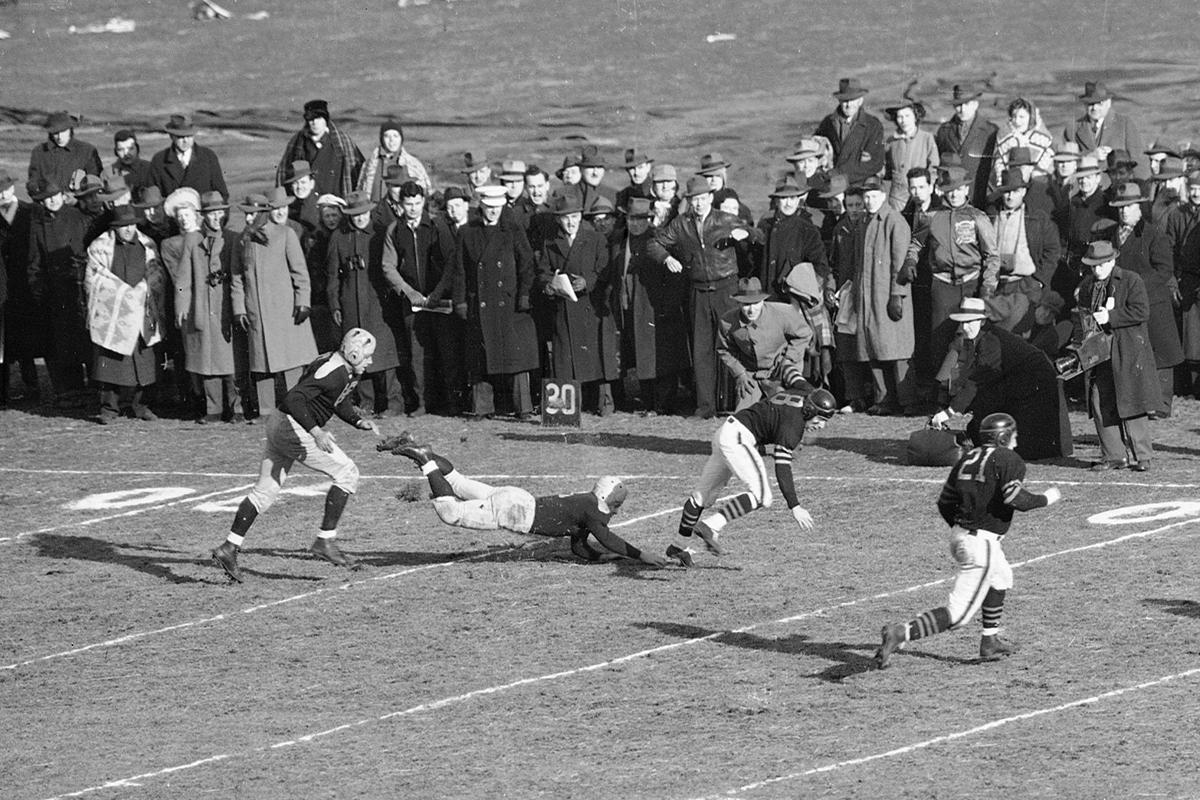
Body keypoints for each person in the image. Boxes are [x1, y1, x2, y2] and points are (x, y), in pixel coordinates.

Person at [874, 413, 1063, 669]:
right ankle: (901, 633)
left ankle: (990, 640)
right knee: (959, 615)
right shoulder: (1008, 458)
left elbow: (945, 502)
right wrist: (1046, 498)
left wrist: (962, 528)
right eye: (1014, 436)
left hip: (964, 536)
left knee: (1001, 577)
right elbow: (1014, 498)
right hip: (980, 543)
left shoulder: (966, 458)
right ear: (1004, 436)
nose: (1016, 442)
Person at [210, 328, 381, 583]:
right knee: (347, 472)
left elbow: (338, 400)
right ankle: (325, 540)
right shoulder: (333, 372)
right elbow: (294, 399)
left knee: (264, 491)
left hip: (280, 423)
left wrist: (358, 421)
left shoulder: (336, 365)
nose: (369, 361)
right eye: (367, 356)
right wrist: (317, 432)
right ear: (354, 354)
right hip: (293, 426)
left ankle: (229, 547)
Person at [380, 435, 666, 567]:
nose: (615, 512)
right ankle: (424, 459)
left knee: (458, 482)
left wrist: (604, 558)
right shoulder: (593, 511)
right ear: (606, 499)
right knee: (450, 512)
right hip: (514, 512)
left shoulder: (585, 504)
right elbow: (609, 538)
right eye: (615, 506)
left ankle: (422, 447)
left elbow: (580, 547)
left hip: (518, 498)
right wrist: (641, 555)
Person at [666, 386, 838, 567]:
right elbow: (782, 467)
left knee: (701, 496)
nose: (822, 426)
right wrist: (795, 506)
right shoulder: (793, 425)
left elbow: (797, 380)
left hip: (726, 431)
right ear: (809, 410)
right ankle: (711, 525)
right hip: (739, 438)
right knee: (762, 496)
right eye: (820, 419)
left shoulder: (803, 396)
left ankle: (678, 546)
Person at [646, 175, 760, 418]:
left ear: (710, 198)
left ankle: (740, 402)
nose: (698, 204)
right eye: (694, 200)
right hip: (698, 291)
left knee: (735, 344)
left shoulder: (725, 219)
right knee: (702, 350)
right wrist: (667, 258)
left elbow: (756, 234)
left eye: (702, 198)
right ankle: (706, 406)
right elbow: (654, 245)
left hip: (726, 289)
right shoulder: (681, 224)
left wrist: (744, 234)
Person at [930, 297, 1071, 460]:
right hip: (1015, 378)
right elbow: (966, 373)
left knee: (1028, 445)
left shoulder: (991, 341)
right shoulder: (973, 339)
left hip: (1035, 378)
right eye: (962, 323)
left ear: (982, 322)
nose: (965, 327)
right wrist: (946, 402)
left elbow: (976, 382)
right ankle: (976, 437)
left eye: (970, 322)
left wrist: (950, 411)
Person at [231, 187, 318, 414]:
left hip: (286, 312)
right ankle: (266, 410)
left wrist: (303, 302)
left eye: (251, 214)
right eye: (246, 214)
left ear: (262, 213)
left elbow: (300, 272)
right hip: (256, 313)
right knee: (262, 364)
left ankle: (297, 407)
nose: (247, 218)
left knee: (291, 362)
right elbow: (237, 278)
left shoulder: (285, 235)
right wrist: (239, 308)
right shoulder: (243, 241)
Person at [1074, 240, 1160, 471]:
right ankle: (1114, 456)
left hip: (1127, 351)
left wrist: (1111, 317)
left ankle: (1143, 457)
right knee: (1100, 401)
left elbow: (1141, 312)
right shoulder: (1086, 287)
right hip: (1099, 354)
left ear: (1112, 261)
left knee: (1132, 404)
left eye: (1101, 265)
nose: (1096, 270)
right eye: (1093, 266)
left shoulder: (1132, 280)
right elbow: (1082, 319)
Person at [380, 180, 461, 415]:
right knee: (417, 356)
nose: (413, 208)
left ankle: (451, 404)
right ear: (401, 204)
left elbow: (450, 263)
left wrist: (437, 294)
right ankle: (422, 404)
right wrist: (409, 292)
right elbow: (388, 267)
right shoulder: (394, 230)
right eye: (408, 203)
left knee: (447, 352)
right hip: (412, 304)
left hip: (440, 302)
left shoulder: (438, 226)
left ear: (423, 202)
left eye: (417, 203)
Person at [458, 184, 540, 418]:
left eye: (497, 207)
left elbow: (526, 266)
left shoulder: (513, 230)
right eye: (488, 207)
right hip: (481, 303)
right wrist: (460, 302)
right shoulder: (467, 232)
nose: (493, 212)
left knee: (516, 358)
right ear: (481, 205)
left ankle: (522, 407)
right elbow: (460, 271)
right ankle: (482, 407)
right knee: (481, 358)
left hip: (510, 302)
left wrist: (524, 295)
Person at [837, 176, 914, 414]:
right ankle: (884, 400)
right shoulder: (865, 224)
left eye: (874, 196)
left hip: (887, 296)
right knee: (874, 349)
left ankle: (908, 401)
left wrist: (897, 294)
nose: (869, 201)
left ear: (884, 196)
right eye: (866, 197)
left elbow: (900, 264)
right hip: (868, 298)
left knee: (897, 350)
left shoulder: (894, 222)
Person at [536, 191, 618, 415]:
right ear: (558, 220)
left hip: (591, 306)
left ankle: (604, 403)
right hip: (564, 307)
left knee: (597, 357)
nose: (570, 222)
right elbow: (543, 271)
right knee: (565, 358)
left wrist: (588, 281)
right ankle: (565, 409)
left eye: (574, 216)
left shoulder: (595, 239)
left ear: (581, 216)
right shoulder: (551, 242)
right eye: (565, 218)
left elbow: (605, 269)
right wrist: (549, 286)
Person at [83, 205, 167, 423]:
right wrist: (122, 293)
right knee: (111, 362)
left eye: (131, 225)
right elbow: (95, 277)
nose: (128, 229)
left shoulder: (147, 245)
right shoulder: (100, 247)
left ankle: (141, 405)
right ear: (114, 228)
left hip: (142, 309)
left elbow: (157, 272)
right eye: (123, 226)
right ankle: (109, 408)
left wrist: (144, 288)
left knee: (143, 359)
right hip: (114, 313)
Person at [1104, 182, 1182, 416]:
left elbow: (1164, 269)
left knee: (1161, 353)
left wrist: (1136, 287)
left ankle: (1162, 404)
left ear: (1139, 207)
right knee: (1135, 351)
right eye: (1120, 207)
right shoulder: (1111, 235)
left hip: (1153, 302)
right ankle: (1141, 402)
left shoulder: (1153, 234)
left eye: (1129, 206)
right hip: (1124, 302)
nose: (1124, 211)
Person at [176, 191, 243, 423]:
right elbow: (183, 278)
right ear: (203, 216)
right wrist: (182, 305)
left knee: (230, 361)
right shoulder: (193, 240)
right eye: (211, 214)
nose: (216, 218)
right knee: (206, 360)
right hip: (202, 307)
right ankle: (212, 409)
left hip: (225, 305)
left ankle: (237, 409)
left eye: (219, 213)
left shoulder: (233, 238)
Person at [26, 177, 91, 408]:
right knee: (61, 342)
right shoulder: (39, 224)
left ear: (62, 195)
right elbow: (35, 261)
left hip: (80, 285)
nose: (51, 202)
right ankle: (70, 391)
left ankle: (95, 387)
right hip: (55, 292)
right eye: (46, 199)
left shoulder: (76, 217)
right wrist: (39, 289)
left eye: (54, 196)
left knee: (87, 338)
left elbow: (88, 250)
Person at [717, 277, 812, 410]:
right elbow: (724, 349)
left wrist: (789, 359)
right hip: (750, 374)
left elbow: (804, 333)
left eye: (756, 303)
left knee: (783, 411)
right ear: (738, 303)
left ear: (763, 300)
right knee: (743, 417)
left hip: (778, 370)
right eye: (746, 305)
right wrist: (739, 373)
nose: (751, 310)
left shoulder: (783, 312)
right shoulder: (727, 321)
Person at [1062, 81, 1149, 181]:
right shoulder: (1072, 128)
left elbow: (1139, 161)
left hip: (1118, 190)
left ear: (1109, 103)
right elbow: (1064, 163)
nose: (1094, 108)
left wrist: (1141, 189)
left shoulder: (1125, 123)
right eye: (1090, 104)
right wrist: (1090, 156)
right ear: (1084, 104)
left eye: (1099, 103)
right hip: (1085, 190)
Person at [278, 99, 363, 198]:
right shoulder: (298, 142)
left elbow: (358, 171)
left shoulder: (343, 142)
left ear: (325, 120)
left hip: (336, 201)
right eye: (310, 119)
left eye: (318, 118)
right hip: (308, 202)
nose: (314, 123)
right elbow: (284, 172)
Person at [935, 83, 999, 209]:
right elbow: (941, 165)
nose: (962, 109)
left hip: (979, 197)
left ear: (976, 104)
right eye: (958, 105)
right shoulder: (944, 131)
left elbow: (994, 168)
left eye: (967, 104)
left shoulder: (990, 131)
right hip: (953, 198)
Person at [813, 78, 885, 186]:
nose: (849, 105)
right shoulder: (828, 123)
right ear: (839, 100)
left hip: (860, 187)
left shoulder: (873, 125)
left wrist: (839, 173)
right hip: (832, 186)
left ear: (860, 101)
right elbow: (815, 150)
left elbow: (875, 163)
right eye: (845, 100)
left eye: (853, 100)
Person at [148, 113, 229, 200]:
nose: (185, 141)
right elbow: (153, 198)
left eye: (189, 136)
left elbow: (221, 194)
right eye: (180, 137)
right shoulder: (159, 160)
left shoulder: (208, 157)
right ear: (171, 136)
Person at [883, 98, 938, 211]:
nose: (903, 121)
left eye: (907, 116)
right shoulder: (891, 141)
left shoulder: (927, 138)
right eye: (900, 117)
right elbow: (886, 169)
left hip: (920, 194)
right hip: (897, 197)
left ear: (915, 117)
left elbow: (934, 166)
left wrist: (930, 185)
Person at [356, 119, 431, 201]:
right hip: (373, 211)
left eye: (395, 136)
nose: (391, 140)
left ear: (401, 138)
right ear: (381, 139)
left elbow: (425, 193)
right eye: (387, 136)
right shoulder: (369, 164)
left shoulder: (413, 164)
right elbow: (360, 191)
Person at [28, 111, 103, 190]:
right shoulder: (39, 152)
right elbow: (33, 181)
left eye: (63, 131)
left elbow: (95, 182)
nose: (60, 137)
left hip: (79, 199)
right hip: (48, 199)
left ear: (70, 130)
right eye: (56, 133)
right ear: (50, 133)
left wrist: (77, 197)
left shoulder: (87, 150)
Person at [992, 98, 1055, 185]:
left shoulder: (1043, 139)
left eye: (1022, 117)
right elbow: (999, 166)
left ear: (1031, 117)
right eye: (1014, 116)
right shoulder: (1004, 138)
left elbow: (1047, 167)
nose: (1017, 121)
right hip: (1010, 186)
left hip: (1037, 187)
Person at [105, 129, 152, 194]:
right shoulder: (108, 174)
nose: (126, 153)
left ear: (137, 148)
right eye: (121, 150)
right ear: (115, 152)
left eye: (130, 148)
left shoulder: (150, 169)